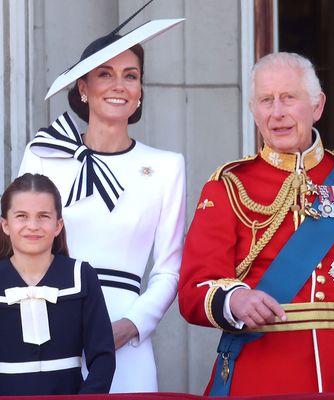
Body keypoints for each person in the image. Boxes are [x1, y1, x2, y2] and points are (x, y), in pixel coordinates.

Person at [178, 52, 334, 396]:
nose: (277, 112)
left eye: (288, 98)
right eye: (266, 100)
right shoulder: (228, 186)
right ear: (253, 110)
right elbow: (194, 289)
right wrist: (235, 301)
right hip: (257, 375)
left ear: (317, 105)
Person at [18, 13, 186, 393]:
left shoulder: (165, 167)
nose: (119, 85)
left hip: (125, 336)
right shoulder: (44, 153)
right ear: (83, 87)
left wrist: (129, 328)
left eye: (130, 75)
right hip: (45, 325)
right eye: (105, 74)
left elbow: (169, 270)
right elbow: (15, 246)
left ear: (141, 89)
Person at [0, 173, 115, 395]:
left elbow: (103, 358)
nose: (32, 225)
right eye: (22, 216)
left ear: (58, 225)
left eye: (43, 216)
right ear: (5, 224)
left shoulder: (82, 276)